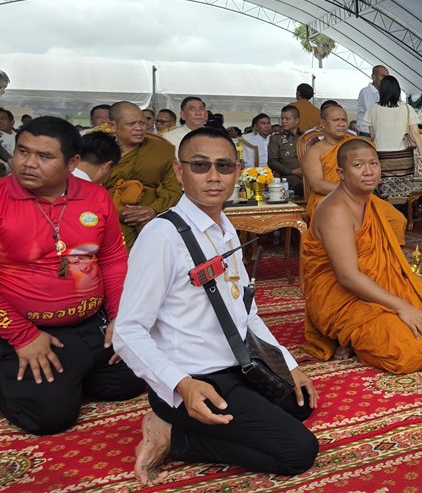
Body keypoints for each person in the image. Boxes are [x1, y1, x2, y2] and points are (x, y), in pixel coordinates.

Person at [113, 127, 317, 486]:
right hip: (194, 379)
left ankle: (196, 420)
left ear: (237, 172)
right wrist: (181, 384)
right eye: (200, 165)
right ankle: (175, 436)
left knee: (300, 404)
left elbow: (246, 312)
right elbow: (128, 331)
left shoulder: (223, 227)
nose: (213, 176)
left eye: (223, 166)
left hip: (238, 364)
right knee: (298, 451)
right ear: (179, 171)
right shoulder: (162, 236)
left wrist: (287, 363)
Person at [0, 116, 144, 435]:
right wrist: (23, 337)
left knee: (129, 381)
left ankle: (70, 371)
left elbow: (112, 259)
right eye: (22, 151)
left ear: (72, 163)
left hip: (90, 323)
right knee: (49, 417)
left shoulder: (95, 196)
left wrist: (120, 317)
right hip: (24, 327)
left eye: (44, 156)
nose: (28, 163)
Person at [301, 138, 422, 370]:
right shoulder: (335, 211)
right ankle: (353, 338)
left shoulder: (372, 203)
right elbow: (347, 277)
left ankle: (361, 336)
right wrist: (401, 306)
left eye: (374, 163)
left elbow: (383, 257)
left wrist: (411, 277)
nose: (369, 171)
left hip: (372, 287)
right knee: (412, 350)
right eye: (358, 165)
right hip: (340, 297)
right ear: (341, 173)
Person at [105, 102, 182, 250]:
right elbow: (88, 189)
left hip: (151, 222)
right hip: (106, 220)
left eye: (142, 123)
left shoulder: (162, 150)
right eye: (131, 124)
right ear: (112, 125)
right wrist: (114, 214)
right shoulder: (99, 150)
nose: (139, 128)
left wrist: (152, 210)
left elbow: (173, 189)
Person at [365, 75, 422, 201]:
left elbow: (373, 135)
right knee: (404, 194)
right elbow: (415, 133)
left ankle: (387, 213)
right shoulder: (407, 108)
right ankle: (404, 212)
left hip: (382, 156)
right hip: (404, 157)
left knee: (384, 194)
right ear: (397, 90)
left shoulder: (373, 109)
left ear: (382, 90)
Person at [302, 103, 360, 218]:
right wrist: (350, 191)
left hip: (359, 196)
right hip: (327, 198)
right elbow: (317, 185)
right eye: (336, 120)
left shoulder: (356, 145)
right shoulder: (315, 152)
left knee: (392, 218)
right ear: (323, 123)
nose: (341, 124)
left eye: (344, 120)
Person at [268, 105, 304, 196]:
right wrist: (292, 171)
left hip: (308, 175)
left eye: (287, 119)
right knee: (299, 185)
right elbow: (272, 162)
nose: (284, 121)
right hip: (287, 177)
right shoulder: (275, 138)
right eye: (282, 118)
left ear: (297, 120)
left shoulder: (306, 137)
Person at [356, 65, 389, 137]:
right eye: (383, 77)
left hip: (382, 134)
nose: (386, 80)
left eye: (387, 77)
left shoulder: (388, 92)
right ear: (374, 77)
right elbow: (372, 113)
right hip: (367, 134)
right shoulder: (365, 92)